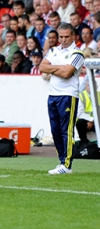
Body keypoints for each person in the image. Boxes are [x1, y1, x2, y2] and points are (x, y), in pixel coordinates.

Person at [39, 23, 85, 174]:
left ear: (73, 36)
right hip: (53, 95)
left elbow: (67, 74)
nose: (63, 40)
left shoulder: (77, 53)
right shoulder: (53, 50)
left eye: (66, 37)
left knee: (67, 130)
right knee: (55, 131)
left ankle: (67, 165)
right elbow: (42, 67)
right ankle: (61, 161)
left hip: (68, 95)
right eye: (61, 37)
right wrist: (60, 67)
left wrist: (53, 68)